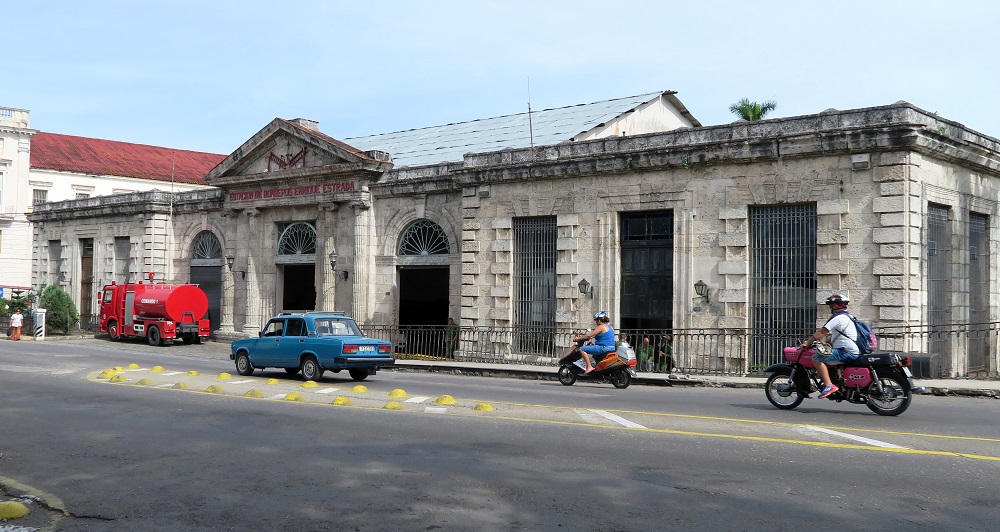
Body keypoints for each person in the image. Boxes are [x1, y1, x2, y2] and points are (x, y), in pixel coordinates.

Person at [800, 294, 860, 398]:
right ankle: (836, 381)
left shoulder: (838, 318)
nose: (831, 308)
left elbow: (821, 333)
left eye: (831, 305)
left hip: (846, 352)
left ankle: (829, 385)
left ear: (836, 305)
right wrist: (825, 343)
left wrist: (807, 342)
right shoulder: (849, 317)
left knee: (816, 358)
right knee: (828, 358)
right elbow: (834, 337)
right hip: (852, 350)